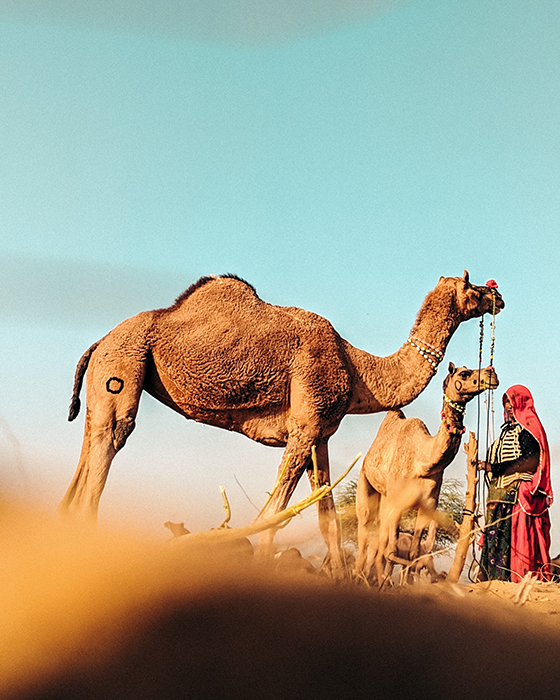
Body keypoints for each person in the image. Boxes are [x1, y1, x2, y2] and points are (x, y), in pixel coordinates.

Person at [479, 385, 553, 582]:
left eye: (511, 403)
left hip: (518, 494)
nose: (508, 407)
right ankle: (491, 578)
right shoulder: (504, 432)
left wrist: (493, 467)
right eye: (506, 404)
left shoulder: (529, 429)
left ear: (520, 403)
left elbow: (529, 461)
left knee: (515, 537)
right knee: (495, 535)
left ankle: (517, 577)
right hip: (499, 493)